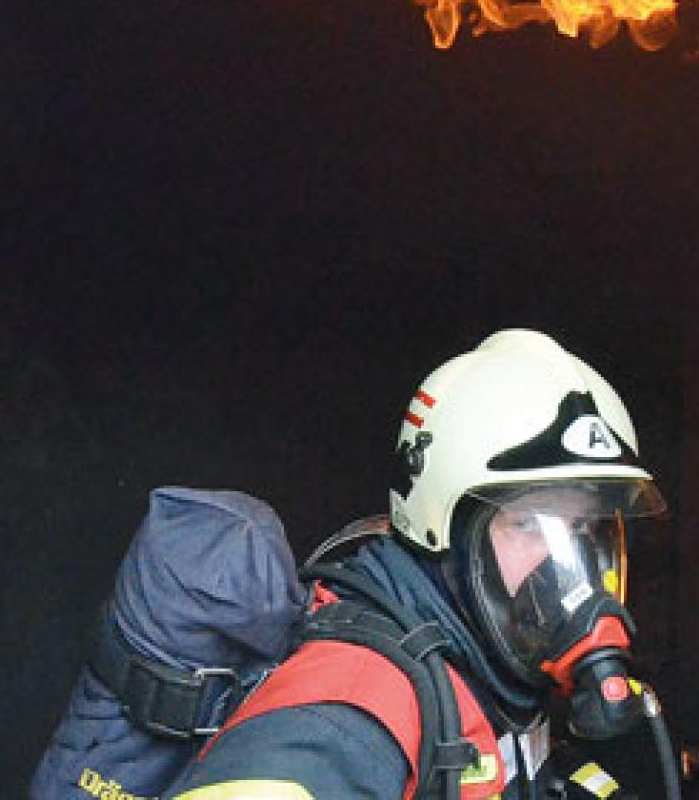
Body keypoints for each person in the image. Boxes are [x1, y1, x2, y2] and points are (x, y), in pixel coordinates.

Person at [163, 328, 669, 800]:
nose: (568, 569)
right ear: (445, 529)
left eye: (584, 529)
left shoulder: (492, 673)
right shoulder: (347, 716)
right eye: (528, 524)